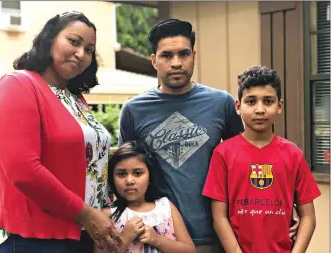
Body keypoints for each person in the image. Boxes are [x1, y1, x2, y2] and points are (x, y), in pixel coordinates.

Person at [118, 19, 301, 252]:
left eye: (183, 54)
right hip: (158, 236)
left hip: (216, 234)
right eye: (166, 55)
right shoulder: (134, 110)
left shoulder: (220, 103)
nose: (176, 63)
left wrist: (289, 200)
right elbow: (123, 174)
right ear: (154, 60)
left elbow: (254, 154)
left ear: (194, 55)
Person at [0, 11, 122, 253]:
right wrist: (86, 215)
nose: (81, 53)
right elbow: (23, 170)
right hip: (38, 240)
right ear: (50, 39)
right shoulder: (18, 84)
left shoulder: (76, 99)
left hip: (88, 235)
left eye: (89, 49)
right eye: (74, 42)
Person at [202, 65, 321, 253]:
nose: (260, 109)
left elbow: (308, 218)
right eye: (251, 101)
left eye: (268, 101)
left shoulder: (293, 154)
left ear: (279, 106)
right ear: (238, 106)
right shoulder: (223, 153)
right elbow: (219, 217)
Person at [94, 141, 196, 253]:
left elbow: (190, 250)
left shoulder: (166, 206)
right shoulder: (108, 215)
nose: (129, 181)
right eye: (122, 174)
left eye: (137, 173)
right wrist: (124, 239)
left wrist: (157, 240)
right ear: (112, 178)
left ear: (150, 177)